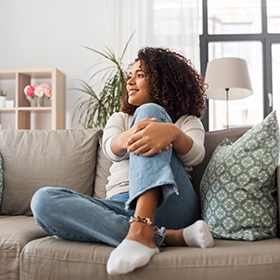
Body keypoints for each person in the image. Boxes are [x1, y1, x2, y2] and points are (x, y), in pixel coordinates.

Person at [31, 47, 214, 276]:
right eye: (130, 75)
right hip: (121, 206)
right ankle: (163, 236)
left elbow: (195, 155)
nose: (130, 81)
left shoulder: (188, 121)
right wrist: (128, 137)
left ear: (163, 80)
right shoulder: (120, 118)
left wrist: (172, 133)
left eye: (140, 75)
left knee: (150, 111)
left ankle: (143, 230)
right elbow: (110, 149)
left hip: (171, 203)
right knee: (43, 201)